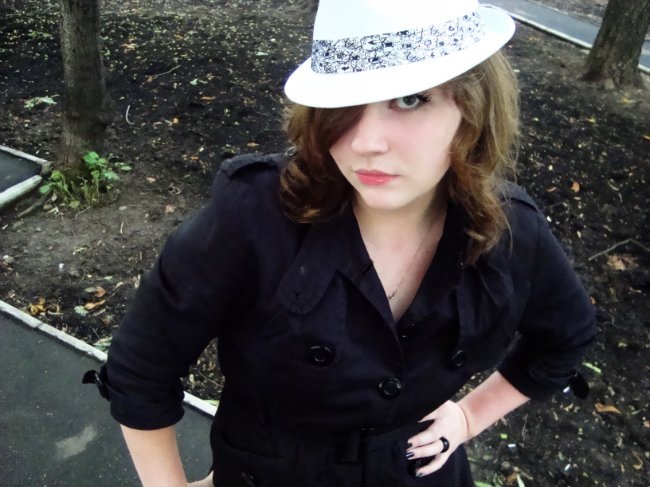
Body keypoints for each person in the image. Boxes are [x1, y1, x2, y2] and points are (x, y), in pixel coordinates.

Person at [85, 0, 596, 485]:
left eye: (411, 98)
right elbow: (143, 368)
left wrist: (468, 417)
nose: (365, 142)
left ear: (475, 106)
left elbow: (565, 337)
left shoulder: (507, 230)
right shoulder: (255, 215)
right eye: (345, 101)